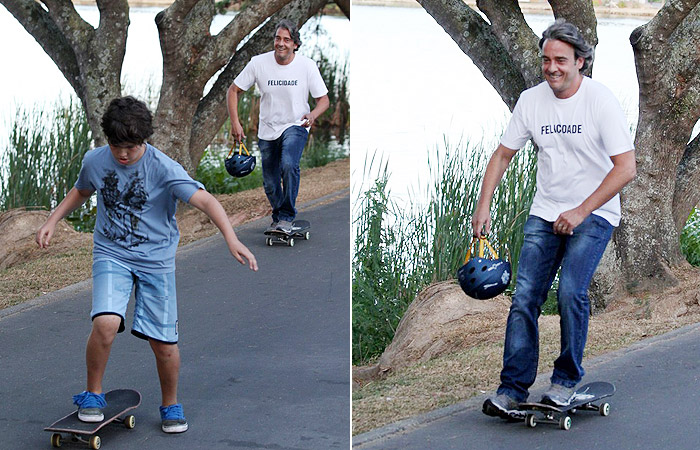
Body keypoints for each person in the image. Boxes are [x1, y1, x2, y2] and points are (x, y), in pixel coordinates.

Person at [36, 96, 258, 433]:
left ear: (144, 140)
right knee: (106, 324)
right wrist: (52, 220)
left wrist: (231, 237)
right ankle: (92, 394)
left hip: (156, 260)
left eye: (130, 147)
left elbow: (206, 200)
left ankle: (171, 404)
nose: (123, 154)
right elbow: (81, 191)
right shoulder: (95, 161)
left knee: (164, 344)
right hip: (112, 253)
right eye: (116, 146)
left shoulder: (164, 168)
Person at [473, 20, 636, 420]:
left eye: (561, 60)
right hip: (545, 212)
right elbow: (502, 155)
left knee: (570, 293)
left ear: (581, 61)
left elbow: (626, 168)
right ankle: (512, 388)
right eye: (546, 60)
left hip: (594, 213)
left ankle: (565, 381)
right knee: (525, 297)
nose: (552, 68)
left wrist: (581, 210)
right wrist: (484, 204)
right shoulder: (531, 101)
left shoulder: (600, 101)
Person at [227, 19, 330, 234]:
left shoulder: (307, 66)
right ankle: (278, 218)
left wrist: (312, 115)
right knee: (271, 183)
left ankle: (286, 217)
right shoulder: (258, 63)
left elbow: (324, 100)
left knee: (288, 164)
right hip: (267, 129)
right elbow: (233, 90)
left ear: (295, 44)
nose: (281, 43)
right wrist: (235, 123)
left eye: (286, 39)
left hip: (296, 124)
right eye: (277, 38)